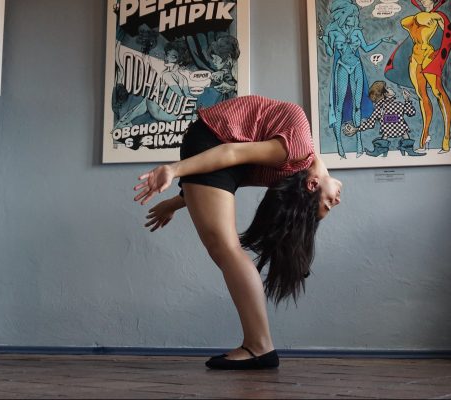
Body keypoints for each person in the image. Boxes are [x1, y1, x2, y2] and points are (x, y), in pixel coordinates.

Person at [133, 95, 343, 370]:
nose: (337, 201)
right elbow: (231, 153)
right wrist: (173, 170)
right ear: (313, 185)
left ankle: (259, 346)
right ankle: (259, 346)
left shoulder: (288, 171)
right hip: (214, 139)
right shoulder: (297, 149)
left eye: (329, 205)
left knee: (226, 249)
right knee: (226, 249)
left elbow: (225, 179)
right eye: (329, 204)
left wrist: (176, 201)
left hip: (213, 145)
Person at [320, 0, 393, 158]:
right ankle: (339, 143)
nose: (355, 18)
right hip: (342, 67)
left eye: (355, 15)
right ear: (344, 16)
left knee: (357, 105)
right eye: (353, 16)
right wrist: (326, 41)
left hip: (357, 67)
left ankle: (359, 142)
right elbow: (330, 52)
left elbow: (365, 48)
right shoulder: (333, 32)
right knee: (339, 106)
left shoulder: (357, 32)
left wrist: (381, 40)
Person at [385, 0, 450, 153]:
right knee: (422, 96)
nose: (422, 0)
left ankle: (446, 137)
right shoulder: (415, 18)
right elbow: (404, 22)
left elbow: (447, 35)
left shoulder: (438, 17)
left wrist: (439, 54)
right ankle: (424, 137)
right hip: (415, 58)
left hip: (429, 56)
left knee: (438, 93)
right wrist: (421, 18)